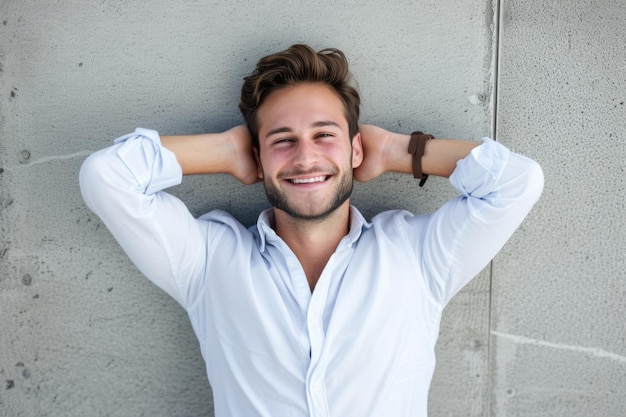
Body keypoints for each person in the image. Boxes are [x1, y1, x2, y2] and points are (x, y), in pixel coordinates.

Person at [79, 44, 543, 417]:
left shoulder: (418, 256)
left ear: (355, 151)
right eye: (282, 141)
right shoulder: (207, 262)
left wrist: (399, 151)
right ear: (257, 159)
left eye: (325, 135)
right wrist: (224, 150)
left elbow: (517, 183)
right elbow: (107, 177)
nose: (305, 158)